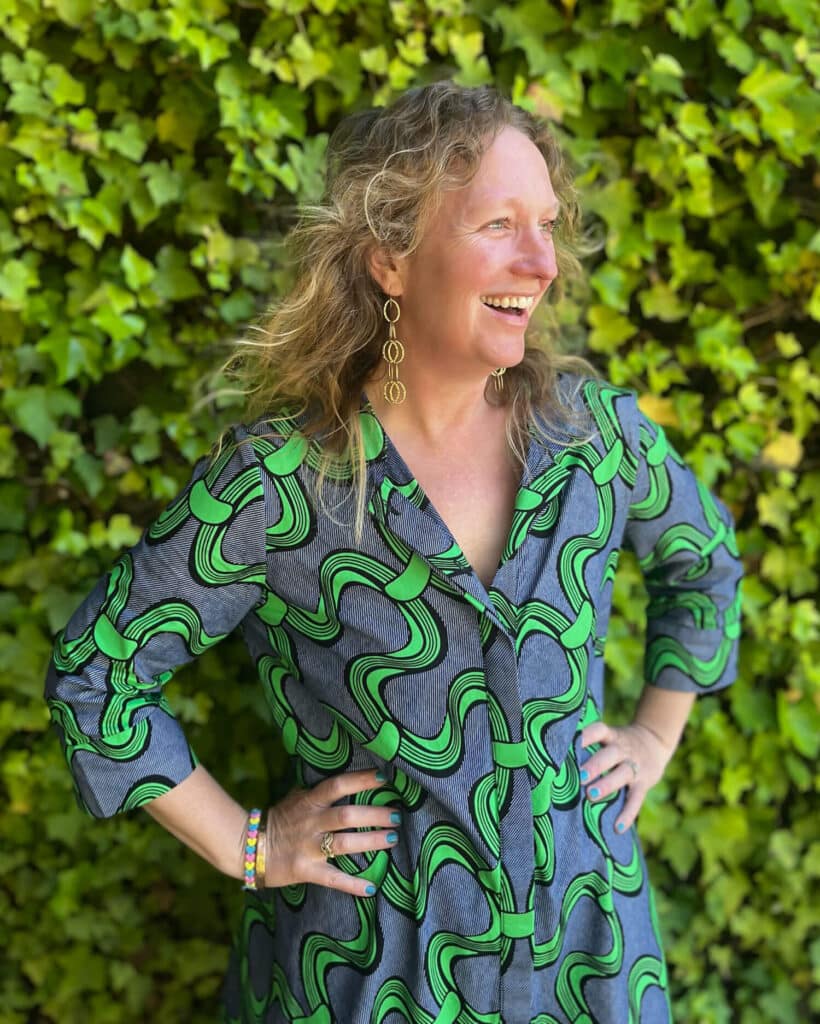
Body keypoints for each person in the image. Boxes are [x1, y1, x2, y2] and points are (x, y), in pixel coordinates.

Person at [44, 81, 743, 1023]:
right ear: (390, 260)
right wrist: (246, 844)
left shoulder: (595, 442)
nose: (541, 261)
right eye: (499, 223)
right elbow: (98, 673)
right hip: (372, 978)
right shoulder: (281, 486)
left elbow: (701, 565)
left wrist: (654, 736)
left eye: (547, 224)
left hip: (590, 959)